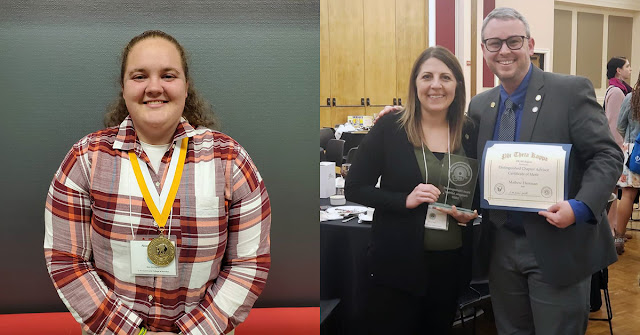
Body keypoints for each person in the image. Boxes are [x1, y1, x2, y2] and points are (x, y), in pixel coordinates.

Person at [44, 30, 271, 335]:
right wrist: (131, 332)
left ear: (186, 87)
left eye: (168, 75)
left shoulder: (230, 160)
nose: (154, 87)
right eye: (139, 76)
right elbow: (66, 260)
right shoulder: (86, 158)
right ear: (124, 88)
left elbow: (249, 263)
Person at [469, 7, 621, 334]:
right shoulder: (480, 106)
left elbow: (607, 155)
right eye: (494, 43)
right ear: (483, 51)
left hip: (559, 245)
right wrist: (396, 120)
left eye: (513, 41)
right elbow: (461, 160)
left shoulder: (569, 91)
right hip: (501, 247)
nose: (504, 50)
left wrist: (579, 207)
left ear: (530, 44)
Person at [345, 46, 479, 334]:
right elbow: (354, 188)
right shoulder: (390, 128)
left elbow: (477, 193)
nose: (436, 85)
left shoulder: (469, 130)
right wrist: (404, 200)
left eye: (445, 77)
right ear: (415, 84)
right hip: (398, 263)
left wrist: (470, 216)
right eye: (427, 76)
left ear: (457, 84)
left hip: (450, 265)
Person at [604, 57, 632, 253]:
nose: (630, 69)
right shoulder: (616, 92)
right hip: (617, 148)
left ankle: (615, 228)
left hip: (619, 148)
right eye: (627, 66)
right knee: (613, 192)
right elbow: (614, 124)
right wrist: (618, 150)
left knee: (616, 191)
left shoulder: (621, 90)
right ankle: (611, 230)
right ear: (618, 71)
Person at [616, 73, 640, 256]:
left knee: (627, 196)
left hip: (633, 151)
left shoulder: (631, 97)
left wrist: (630, 141)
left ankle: (618, 239)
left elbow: (620, 125)